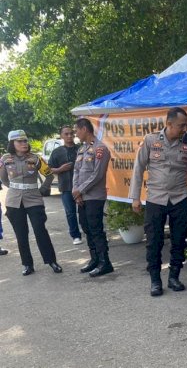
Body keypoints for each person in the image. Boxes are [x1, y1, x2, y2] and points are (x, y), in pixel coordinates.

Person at [130, 107, 187, 297]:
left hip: (180, 198)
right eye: (181, 125)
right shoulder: (151, 141)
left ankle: (174, 277)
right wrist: (135, 197)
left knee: (179, 240)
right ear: (168, 124)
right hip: (156, 198)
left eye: (186, 125)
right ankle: (155, 280)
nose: (185, 129)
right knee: (153, 241)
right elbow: (138, 169)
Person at [0, 130, 62, 275]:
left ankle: (51, 261)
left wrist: (43, 190)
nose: (24, 143)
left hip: (34, 199)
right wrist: (14, 188)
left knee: (40, 230)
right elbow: (3, 179)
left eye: (25, 141)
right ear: (12, 144)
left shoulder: (36, 158)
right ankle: (27, 264)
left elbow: (49, 175)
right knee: (21, 234)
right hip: (14, 201)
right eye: (20, 141)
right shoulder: (5, 159)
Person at [73, 118, 113, 277]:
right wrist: (75, 191)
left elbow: (97, 174)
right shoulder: (82, 149)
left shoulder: (100, 148)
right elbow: (76, 171)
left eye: (77, 130)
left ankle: (105, 262)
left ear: (84, 129)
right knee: (86, 227)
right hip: (81, 196)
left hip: (94, 196)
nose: (76, 133)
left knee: (95, 228)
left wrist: (80, 190)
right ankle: (94, 259)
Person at [48, 125, 83, 245]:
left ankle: (91, 232)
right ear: (61, 136)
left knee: (86, 211)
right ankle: (75, 235)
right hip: (66, 187)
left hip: (82, 187)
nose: (69, 136)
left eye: (71, 133)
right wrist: (60, 169)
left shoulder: (81, 149)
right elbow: (49, 170)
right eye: (66, 134)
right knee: (70, 212)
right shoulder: (57, 152)